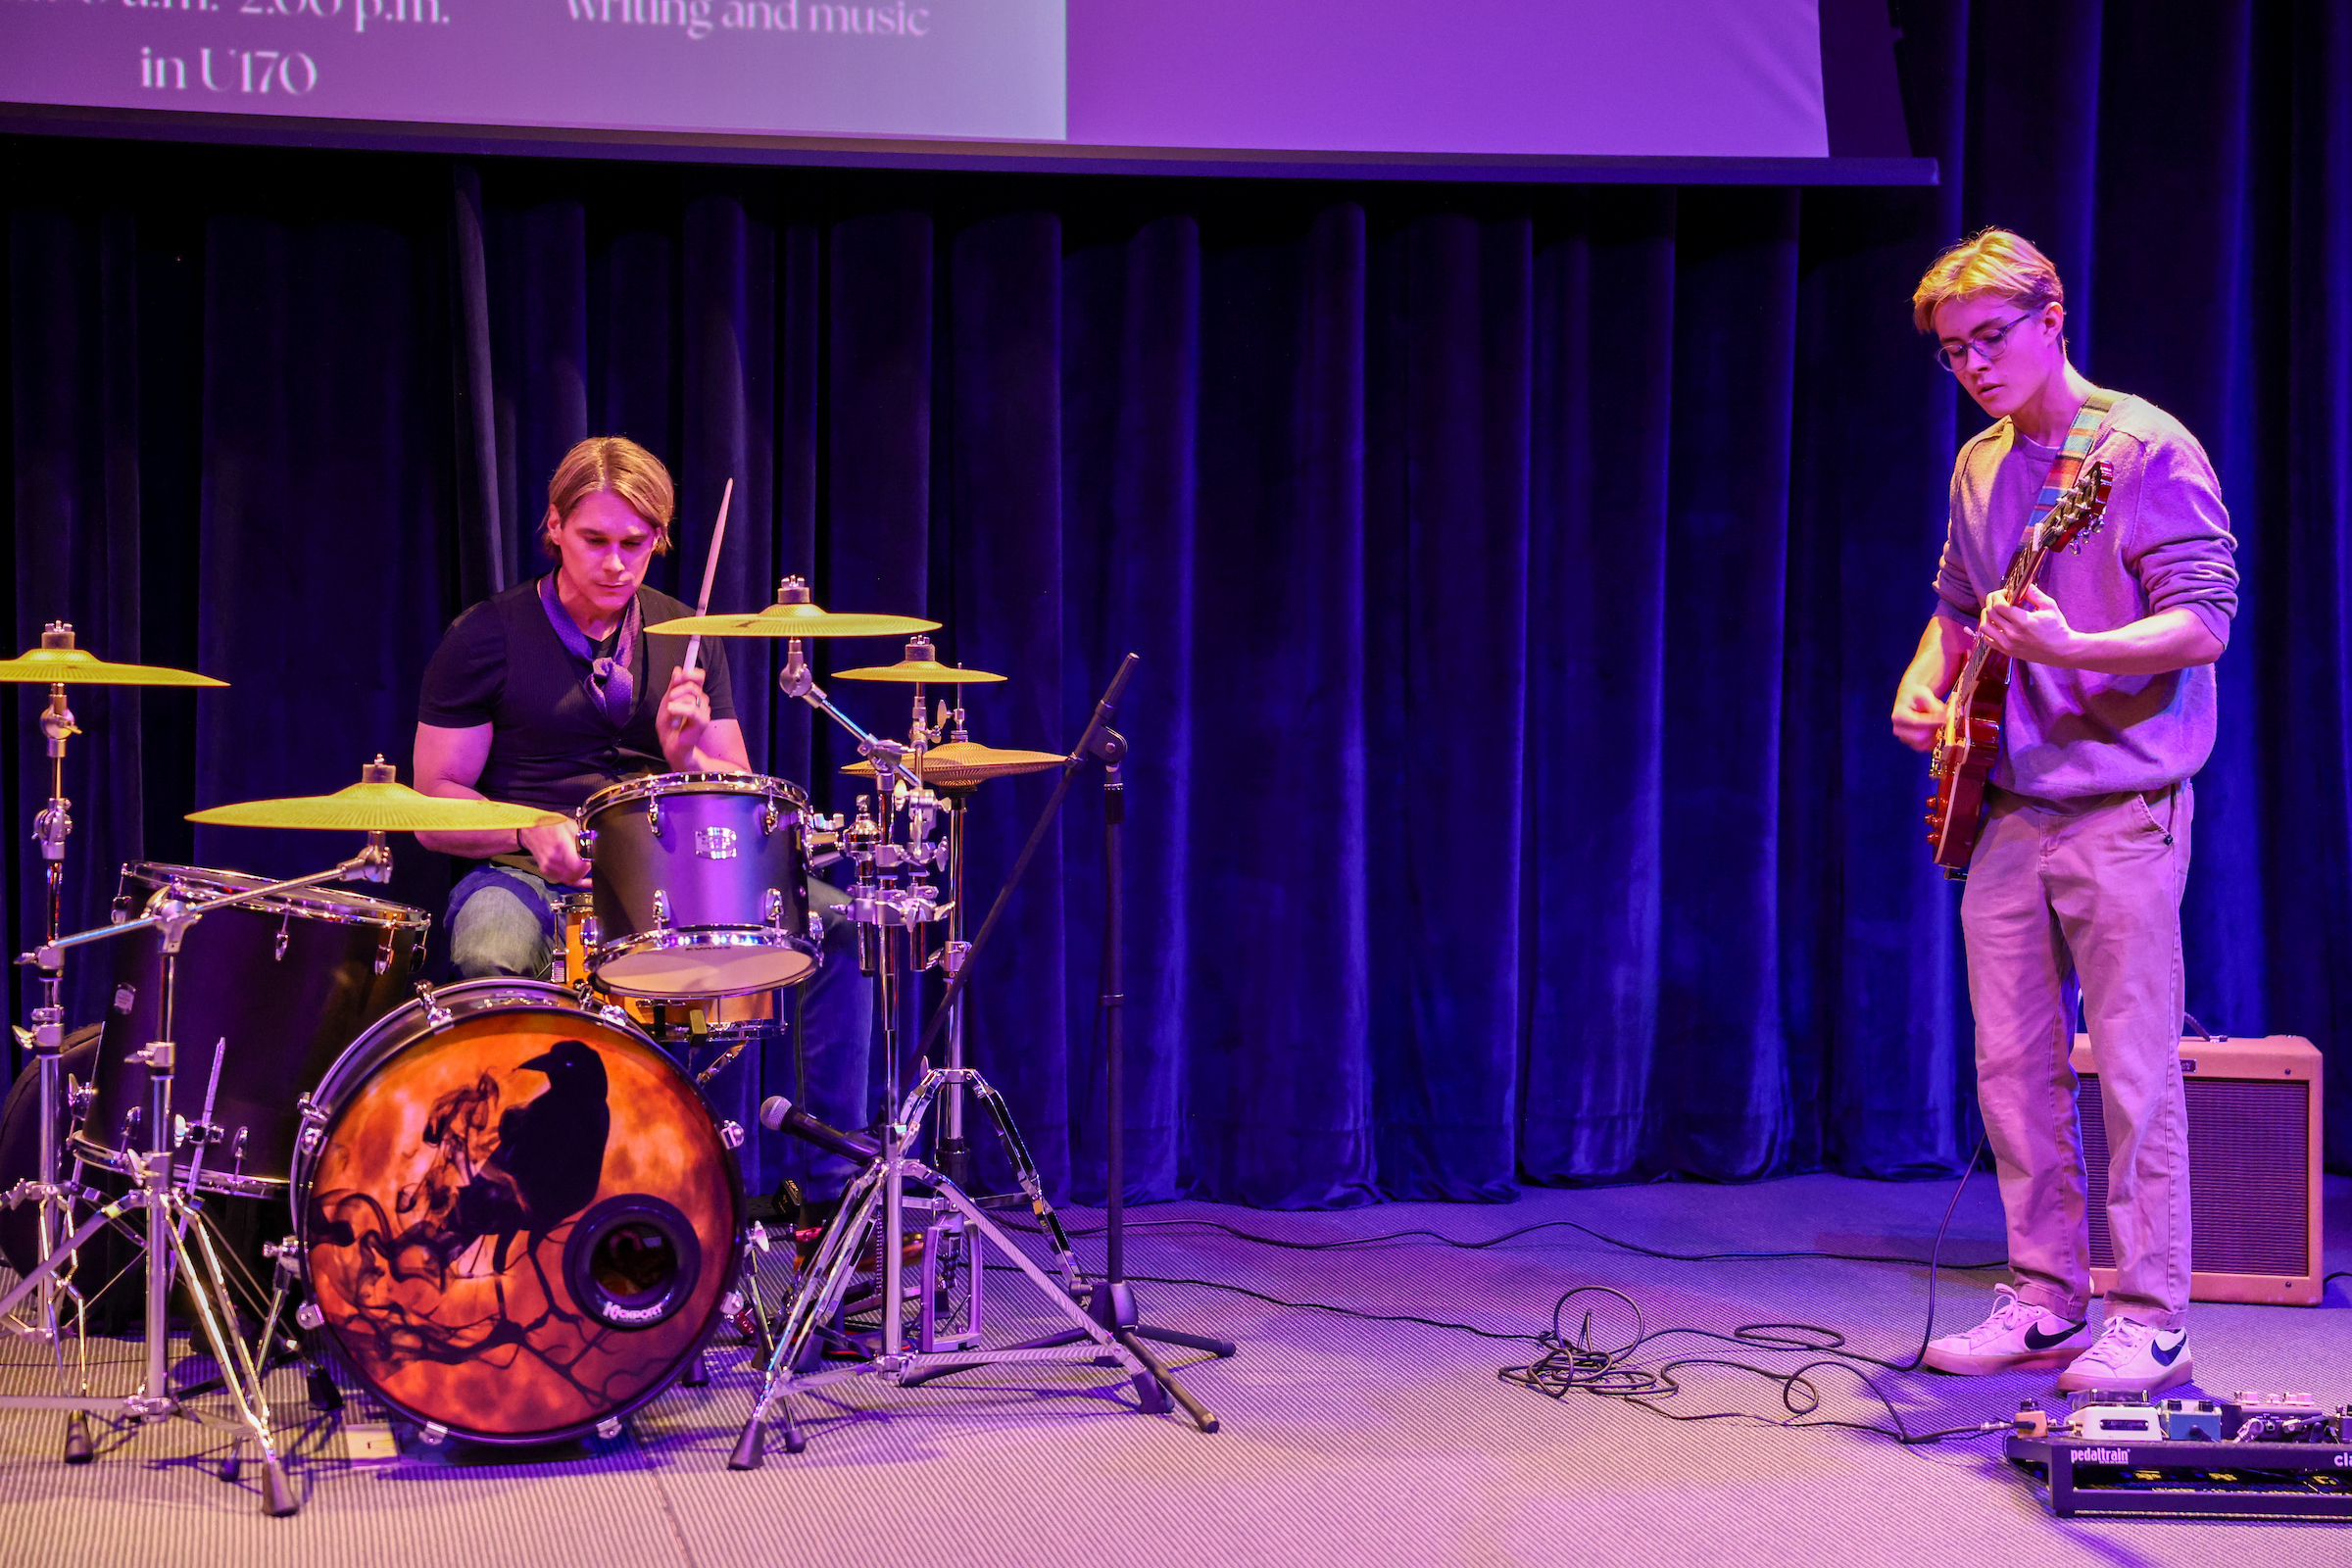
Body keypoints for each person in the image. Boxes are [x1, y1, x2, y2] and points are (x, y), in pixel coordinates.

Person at [1890, 230, 2237, 1396]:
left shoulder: (2144, 450)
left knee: (2135, 1071)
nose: (1974, 365)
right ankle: (2047, 1295)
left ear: (2053, 319)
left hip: (2123, 802)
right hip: (2009, 805)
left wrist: (2079, 646)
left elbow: (2202, 621)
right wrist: (1925, 681)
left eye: (1991, 337)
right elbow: (1955, 600)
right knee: (2010, 1068)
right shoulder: (1982, 465)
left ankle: (2152, 1314)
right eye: (1952, 351)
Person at [413, 436, 868, 1195]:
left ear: (660, 538)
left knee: (843, 925)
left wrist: (687, 759)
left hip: (668, 876)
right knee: (490, 951)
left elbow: (741, 785)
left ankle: (831, 1201)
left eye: (637, 543)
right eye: (595, 540)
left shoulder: (684, 633)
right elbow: (434, 805)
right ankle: (517, 1197)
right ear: (554, 527)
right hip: (526, 870)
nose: (617, 563)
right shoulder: (485, 637)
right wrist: (526, 829)